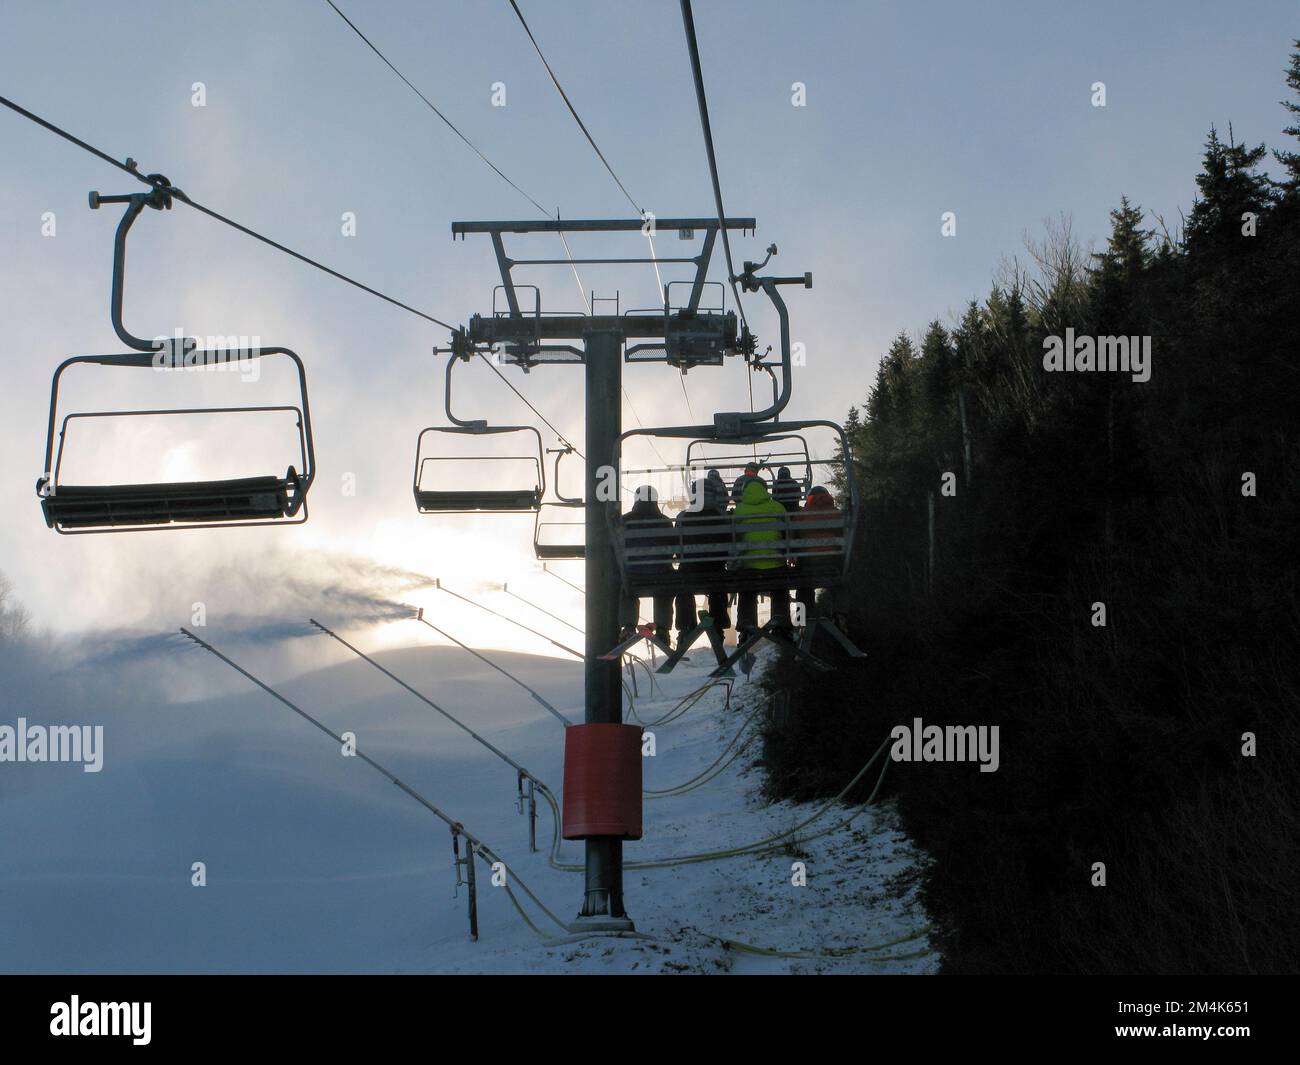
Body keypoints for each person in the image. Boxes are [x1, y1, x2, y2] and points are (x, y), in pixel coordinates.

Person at [672, 479, 731, 646]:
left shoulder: (683, 517)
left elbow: (677, 547)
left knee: (684, 590)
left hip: (689, 570)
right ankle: (718, 628)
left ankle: (686, 627)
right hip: (715, 569)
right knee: (718, 589)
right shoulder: (722, 516)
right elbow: (730, 543)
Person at [732, 477, 791, 635]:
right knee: (780, 589)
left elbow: (735, 538)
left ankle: (746, 624)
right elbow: (788, 533)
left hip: (749, 566)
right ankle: (781, 622)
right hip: (776, 564)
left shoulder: (740, 509)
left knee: (747, 589)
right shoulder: (777, 507)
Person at [619, 485, 674, 642]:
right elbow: (673, 549)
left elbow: (616, 547)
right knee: (665, 590)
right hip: (660, 573)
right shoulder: (665, 522)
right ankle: (663, 629)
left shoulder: (624, 520)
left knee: (626, 588)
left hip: (633, 574)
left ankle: (628, 626)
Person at [794, 485, 842, 621]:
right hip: (832, 560)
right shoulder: (836, 513)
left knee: (803, 588)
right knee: (839, 585)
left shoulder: (802, 515)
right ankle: (840, 614)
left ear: (809, 498)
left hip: (808, 562)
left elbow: (795, 536)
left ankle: (801, 620)